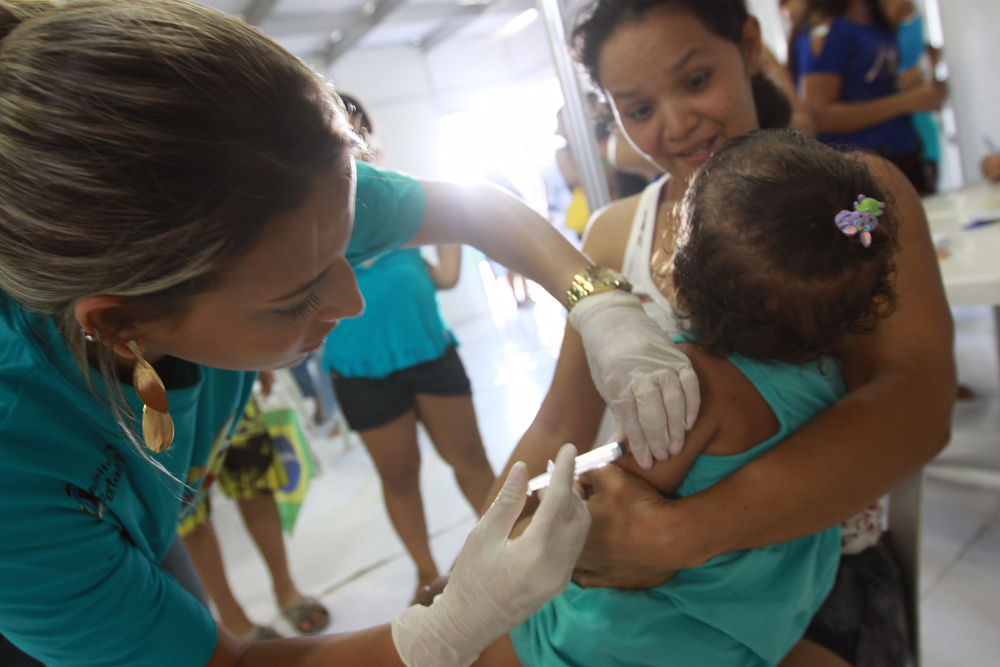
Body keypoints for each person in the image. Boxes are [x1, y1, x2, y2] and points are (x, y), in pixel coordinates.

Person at [0, 1, 704, 665]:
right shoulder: (20, 488)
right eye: (296, 296)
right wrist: (447, 626)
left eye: (347, 245)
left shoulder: (277, 197)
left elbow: (481, 210)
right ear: (121, 325)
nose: (351, 301)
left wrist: (598, 303)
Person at [484, 1, 955, 665]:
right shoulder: (613, 235)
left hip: (810, 578)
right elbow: (562, 416)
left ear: (750, 44)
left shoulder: (851, 201)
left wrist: (682, 534)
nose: (677, 124)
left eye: (697, 81)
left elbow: (919, 402)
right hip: (652, 598)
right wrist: (481, 557)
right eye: (638, 108)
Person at [323, 241, 497, 599]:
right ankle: (426, 573)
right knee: (398, 476)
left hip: (428, 347)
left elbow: (446, 276)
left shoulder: (391, 201)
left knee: (471, 459)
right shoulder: (308, 222)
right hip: (358, 364)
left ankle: (508, 546)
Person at [180, 388, 331, 639]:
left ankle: (286, 588)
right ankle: (232, 616)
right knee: (187, 505)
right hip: (154, 391)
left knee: (255, 474)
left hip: (223, 372)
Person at [793, 0, 946, 194]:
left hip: (903, 156)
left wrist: (917, 89)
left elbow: (874, 86)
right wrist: (907, 102)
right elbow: (820, 115)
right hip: (862, 171)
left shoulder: (871, 21)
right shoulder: (828, 29)